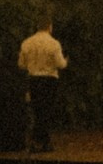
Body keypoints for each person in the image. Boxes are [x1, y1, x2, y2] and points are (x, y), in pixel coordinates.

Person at [18, 16, 68, 152]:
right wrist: (66, 61)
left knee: (37, 110)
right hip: (49, 80)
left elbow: (21, 64)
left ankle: (41, 142)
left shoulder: (27, 42)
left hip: (33, 79)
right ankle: (40, 142)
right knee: (46, 111)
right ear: (49, 27)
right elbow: (60, 64)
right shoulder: (54, 43)